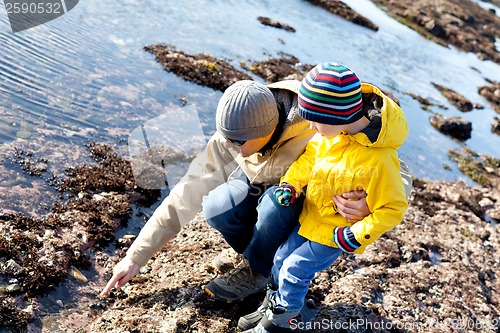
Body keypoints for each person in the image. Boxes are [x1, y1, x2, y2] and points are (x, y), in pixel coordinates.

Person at [99, 78, 410, 302]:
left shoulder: (318, 121)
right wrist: (135, 257)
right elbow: (185, 193)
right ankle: (253, 256)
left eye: (237, 143)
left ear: (266, 132)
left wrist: (370, 206)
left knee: (276, 203)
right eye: (225, 138)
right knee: (217, 204)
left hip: (304, 209)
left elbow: (392, 159)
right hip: (262, 189)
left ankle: (259, 271)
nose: (228, 147)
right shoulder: (232, 133)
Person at [239, 62, 409, 333]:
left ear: (337, 116)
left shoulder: (380, 159)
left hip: (335, 233)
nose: (312, 127)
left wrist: (356, 234)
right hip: (310, 220)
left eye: (316, 120)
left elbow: (394, 207)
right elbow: (309, 160)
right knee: (282, 258)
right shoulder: (332, 136)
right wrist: (291, 185)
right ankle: (275, 306)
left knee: (295, 269)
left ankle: (281, 324)